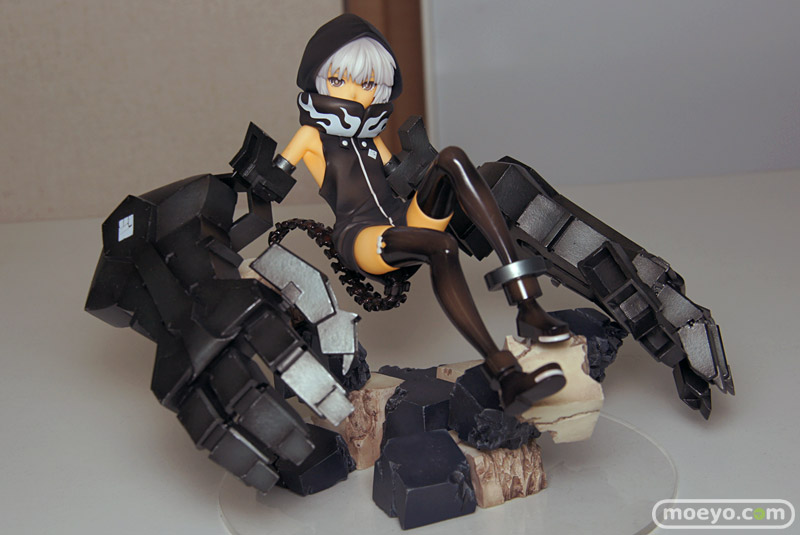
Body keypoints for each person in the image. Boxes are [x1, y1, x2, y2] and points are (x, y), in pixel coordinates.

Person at [275, 14, 570, 414]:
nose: (355, 93)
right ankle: (505, 375)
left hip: (403, 218)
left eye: (367, 84)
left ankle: (528, 306)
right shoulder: (311, 136)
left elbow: (402, 177)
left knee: (453, 158)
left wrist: (428, 173)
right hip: (362, 237)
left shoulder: (371, 137)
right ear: (318, 79)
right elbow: (273, 178)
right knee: (442, 246)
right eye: (340, 80)